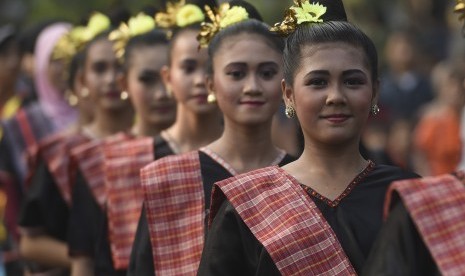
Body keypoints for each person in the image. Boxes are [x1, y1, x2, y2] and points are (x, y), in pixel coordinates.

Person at [198, 0, 419, 275]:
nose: (336, 96)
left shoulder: (409, 196)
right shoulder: (248, 204)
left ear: (374, 92)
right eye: (318, 82)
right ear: (288, 94)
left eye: (352, 81)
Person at [129, 2, 296, 275]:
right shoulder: (170, 179)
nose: (252, 87)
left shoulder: (301, 179)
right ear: (211, 84)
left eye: (266, 73)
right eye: (236, 74)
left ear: (285, 86)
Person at [92, 13, 176, 275]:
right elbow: (87, 259)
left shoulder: (211, 155)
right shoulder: (108, 160)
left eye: (167, 78)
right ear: (123, 83)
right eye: (147, 80)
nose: (162, 93)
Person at [17, 28, 95, 275]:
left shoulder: (140, 138)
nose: (65, 68)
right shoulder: (51, 146)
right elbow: (29, 237)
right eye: (55, 59)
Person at [64, 13, 135, 276]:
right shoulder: (65, 152)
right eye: (100, 68)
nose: (110, 79)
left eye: (119, 67)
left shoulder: (157, 146)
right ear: (82, 81)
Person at [412, 62, 464, 176]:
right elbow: (421, 157)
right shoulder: (431, 120)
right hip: (440, 183)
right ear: (440, 88)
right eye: (450, 85)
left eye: (459, 83)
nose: (456, 89)